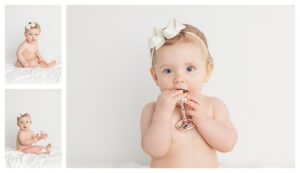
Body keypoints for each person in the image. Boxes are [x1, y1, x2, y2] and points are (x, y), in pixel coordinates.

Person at [140, 18, 238, 167]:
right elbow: (154, 150)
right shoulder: (152, 110)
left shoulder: (213, 106)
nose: (179, 79)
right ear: (155, 77)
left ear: (207, 71)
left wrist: (203, 120)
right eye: (168, 70)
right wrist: (163, 114)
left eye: (189, 69)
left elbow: (228, 144)